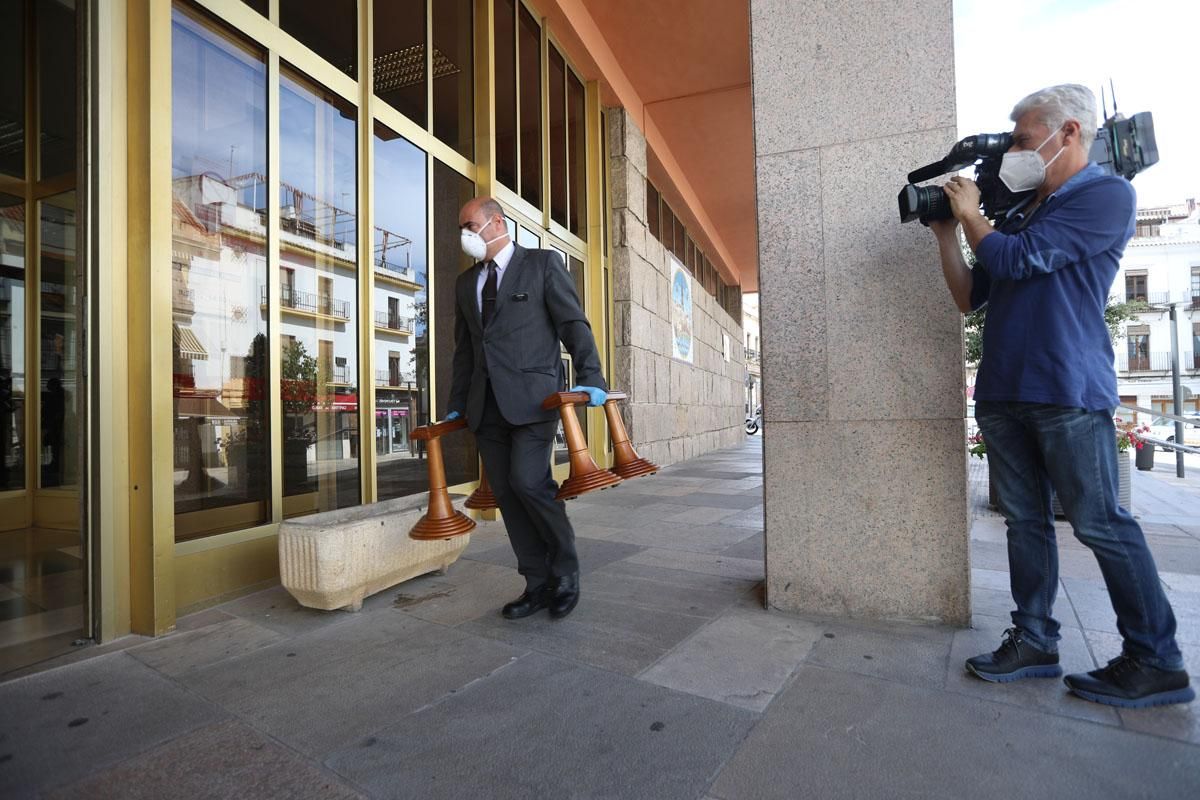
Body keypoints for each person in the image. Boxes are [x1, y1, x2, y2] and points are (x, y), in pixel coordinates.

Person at [931, 84, 1192, 708]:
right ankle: (1035, 640)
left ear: (1067, 132)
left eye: (1023, 139)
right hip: (1004, 388)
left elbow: (1021, 262)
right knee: (1025, 522)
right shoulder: (1021, 212)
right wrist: (947, 232)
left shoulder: (1106, 194)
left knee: (1100, 522)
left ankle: (1156, 659)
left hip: (1067, 388)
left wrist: (973, 215)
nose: (1016, 152)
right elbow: (972, 296)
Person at [444, 197, 608, 620]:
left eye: (470, 225)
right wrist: (457, 404)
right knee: (509, 496)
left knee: (530, 483)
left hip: (535, 401)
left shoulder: (542, 265)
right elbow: (465, 351)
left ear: (496, 222)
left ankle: (566, 574)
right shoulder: (467, 285)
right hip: (486, 408)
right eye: (462, 227)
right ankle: (536, 584)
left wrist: (591, 378)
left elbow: (573, 324)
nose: (465, 234)